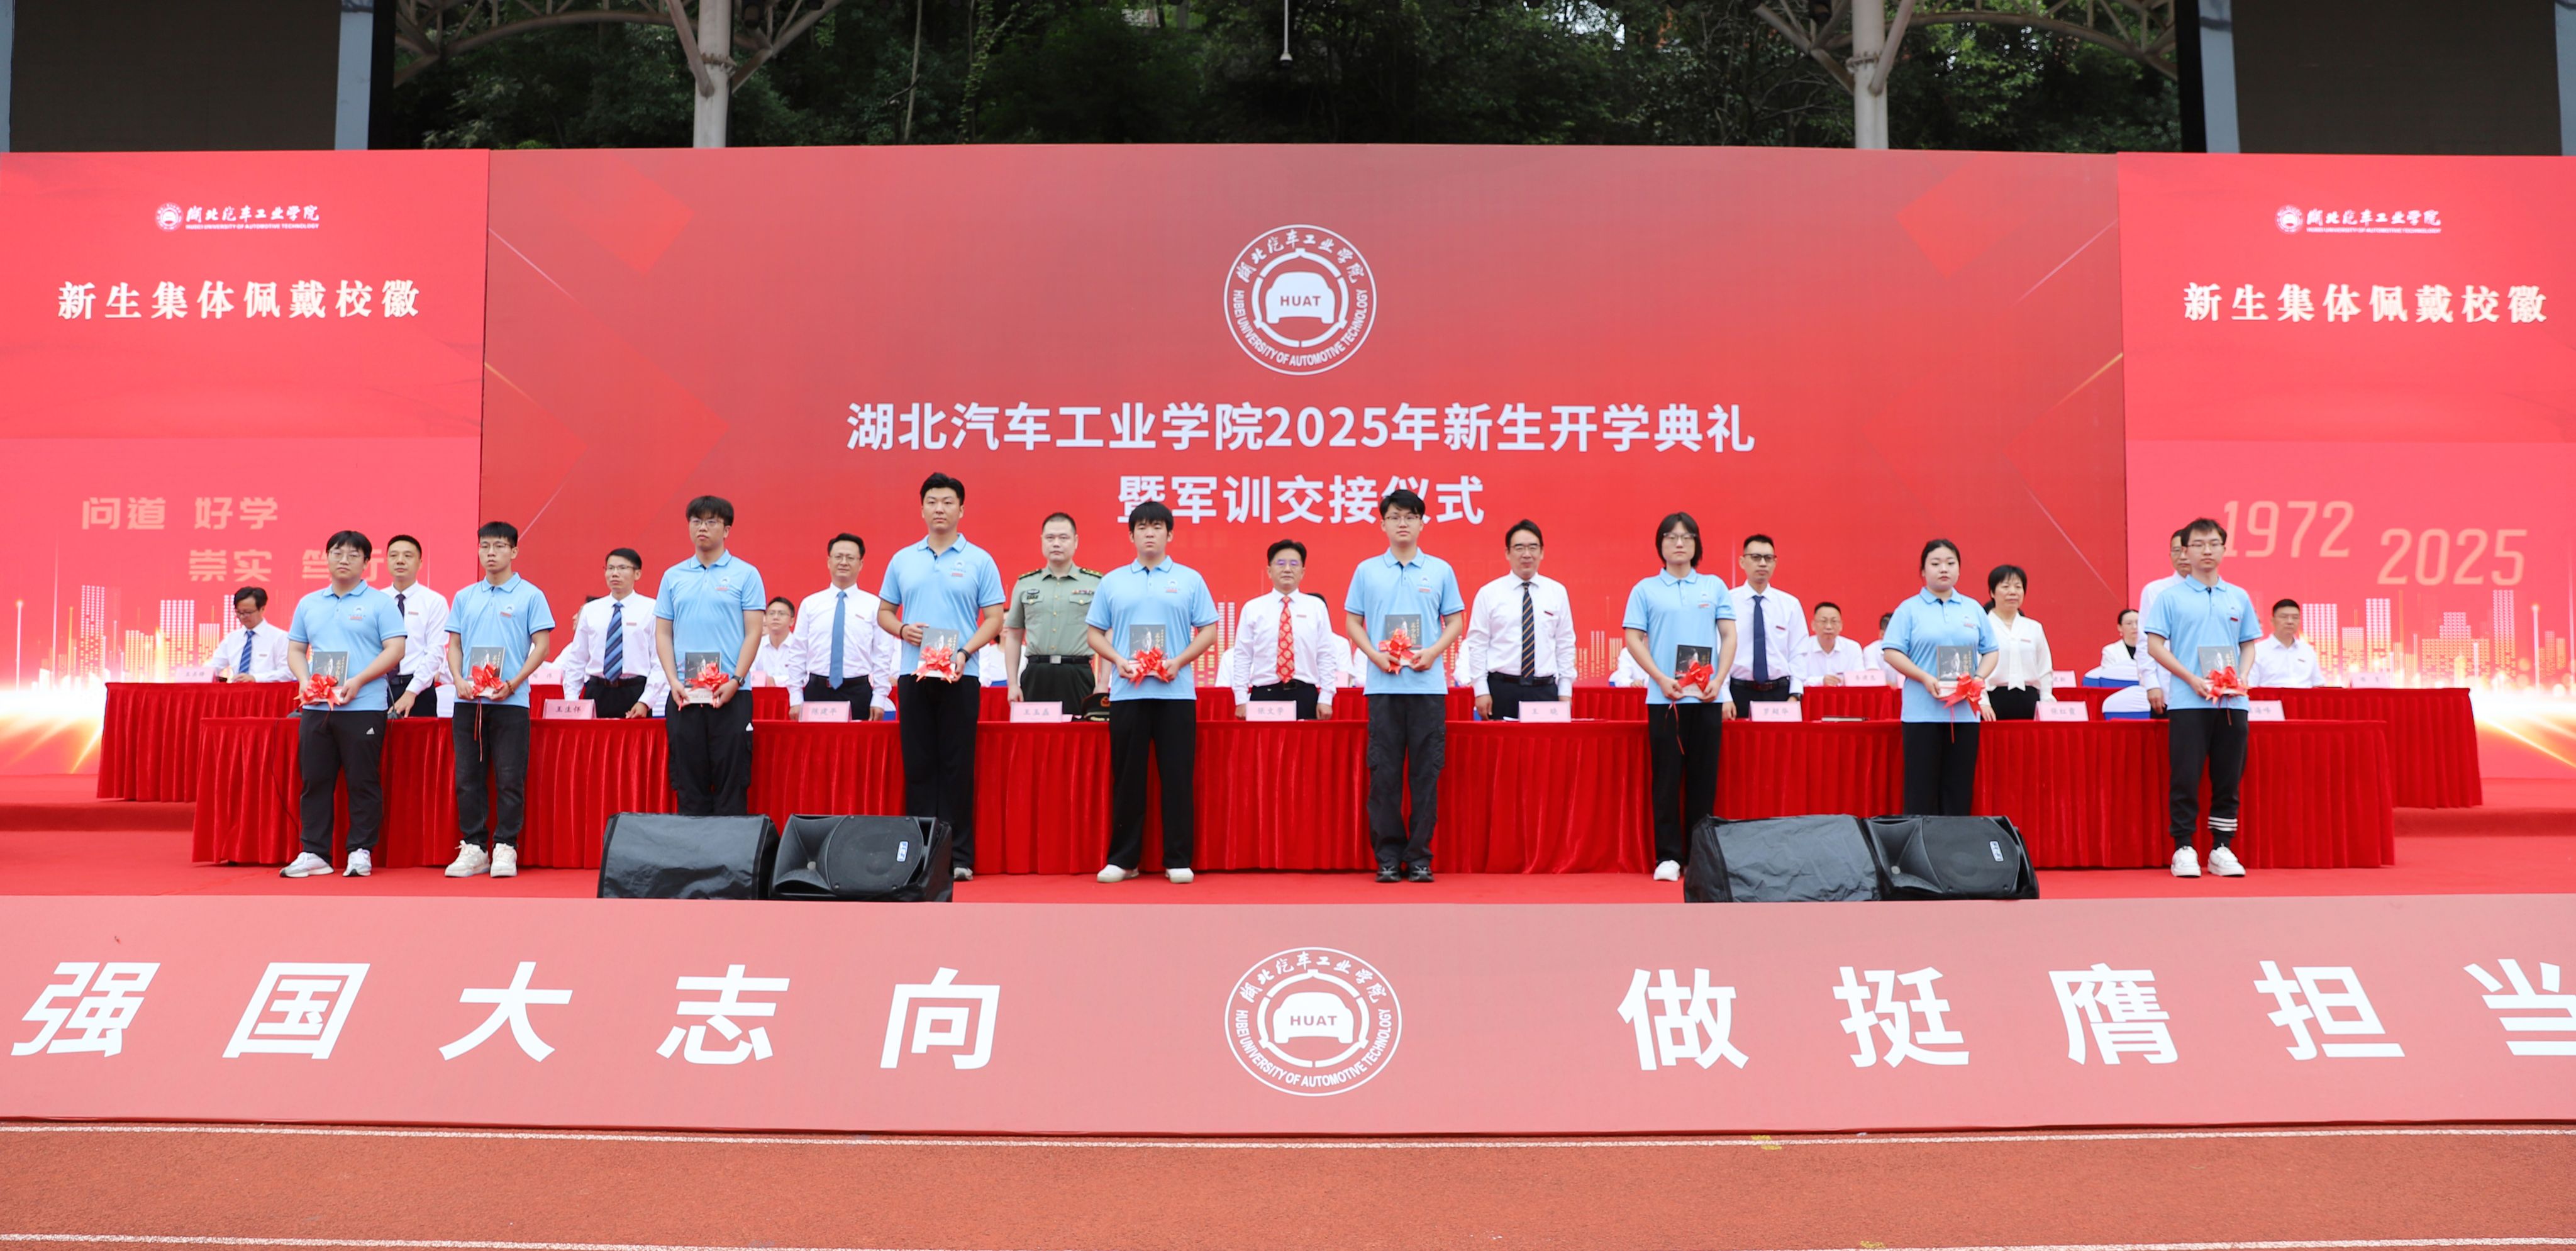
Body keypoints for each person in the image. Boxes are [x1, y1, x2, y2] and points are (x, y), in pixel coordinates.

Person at [879, 473, 1007, 881]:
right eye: (932, 501)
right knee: (919, 765)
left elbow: (995, 618)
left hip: (961, 675)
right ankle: (918, 856)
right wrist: (903, 629)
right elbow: (884, 612)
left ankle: (959, 856)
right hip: (914, 675)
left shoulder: (980, 560)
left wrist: (966, 651)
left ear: (961, 509)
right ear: (921, 508)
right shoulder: (903, 559)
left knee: (957, 765)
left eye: (948, 502)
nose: (940, 509)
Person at [1085, 501, 1220, 884]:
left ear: (1169, 534)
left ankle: (1177, 858)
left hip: (1175, 692)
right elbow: (1094, 633)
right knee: (1128, 778)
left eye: (1157, 527)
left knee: (1177, 777)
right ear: (1131, 535)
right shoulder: (1113, 581)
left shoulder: (1190, 579)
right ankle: (1124, 860)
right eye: (1142, 527)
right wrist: (1118, 660)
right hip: (1128, 691)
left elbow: (1209, 630)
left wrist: (1178, 661)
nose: (1149, 533)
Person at [1344, 489, 1466, 883]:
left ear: (1422, 524)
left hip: (1427, 687)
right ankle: (1387, 856)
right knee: (1385, 775)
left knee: (1426, 775)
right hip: (1383, 687)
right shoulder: (1367, 571)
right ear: (1382, 524)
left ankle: (1419, 857)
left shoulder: (1440, 570)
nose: (1403, 524)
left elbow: (1455, 622)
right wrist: (1374, 657)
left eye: (1411, 517)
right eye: (1395, 517)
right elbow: (1353, 623)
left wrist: (1433, 652)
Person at [278, 531, 408, 879]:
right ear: (327, 558)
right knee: (315, 780)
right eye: (337, 553)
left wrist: (360, 680)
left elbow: (396, 649)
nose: (344, 560)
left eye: (353, 554)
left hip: (363, 705)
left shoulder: (380, 603)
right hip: (317, 707)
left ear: (366, 563)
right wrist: (305, 681)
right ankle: (314, 852)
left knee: (363, 780)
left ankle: (360, 850)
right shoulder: (309, 603)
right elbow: (296, 650)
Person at [1624, 512, 1738, 882]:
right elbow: (1633, 639)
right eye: (1671, 537)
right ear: (1660, 544)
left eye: (1687, 537)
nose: (1679, 543)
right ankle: (1669, 856)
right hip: (1665, 700)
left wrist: (1719, 680)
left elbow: (1729, 635)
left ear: (1696, 544)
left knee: (1704, 780)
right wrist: (1659, 678)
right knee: (1667, 780)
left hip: (1706, 698)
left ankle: (1701, 855)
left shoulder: (1714, 586)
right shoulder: (1645, 589)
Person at [2145, 517, 2261, 878]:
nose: (2206, 551)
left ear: (2224, 549)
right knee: (2185, 775)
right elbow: (2154, 646)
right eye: (2198, 545)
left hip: (2232, 702)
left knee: (2228, 776)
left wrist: (2243, 675)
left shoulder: (2238, 596)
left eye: (2213, 544)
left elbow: (2248, 645)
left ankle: (2222, 847)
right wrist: (2190, 678)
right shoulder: (2170, 597)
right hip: (2188, 700)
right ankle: (2183, 846)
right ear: (2186, 552)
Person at [440, 522, 555, 880]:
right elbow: (455, 645)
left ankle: (506, 845)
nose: (491, 553)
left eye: (500, 546)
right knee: (467, 777)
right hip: (469, 702)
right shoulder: (465, 596)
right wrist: (458, 679)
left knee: (509, 778)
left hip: (511, 702)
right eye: (485, 546)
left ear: (514, 551)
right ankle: (474, 847)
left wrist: (515, 682)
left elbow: (542, 646)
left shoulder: (531, 595)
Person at [653, 496, 766, 817]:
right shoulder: (673, 576)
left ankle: (729, 850)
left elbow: (754, 632)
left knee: (733, 781)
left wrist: (737, 679)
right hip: (685, 695)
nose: (702, 528)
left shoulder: (746, 574)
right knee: (688, 782)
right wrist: (673, 681)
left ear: (727, 529)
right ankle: (692, 848)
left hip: (731, 693)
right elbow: (663, 633)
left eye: (712, 522)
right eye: (696, 521)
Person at [1879, 539, 1998, 817]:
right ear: (1923, 571)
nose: (1943, 569)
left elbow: (1991, 650)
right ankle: (1919, 843)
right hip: (1922, 713)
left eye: (1950, 563)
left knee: (1958, 789)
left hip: (1964, 714)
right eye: (1935, 564)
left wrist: (1978, 678)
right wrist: (1923, 677)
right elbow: (1892, 652)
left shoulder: (1972, 608)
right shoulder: (1909, 609)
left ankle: (1954, 843)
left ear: (1959, 569)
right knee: (1920, 790)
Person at [1460, 520, 1576, 720]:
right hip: (1501, 690)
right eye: (1519, 548)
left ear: (1542, 552)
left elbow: (1565, 643)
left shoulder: (1557, 592)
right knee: (1500, 741)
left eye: (1533, 547)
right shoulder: (1489, 593)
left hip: (1545, 690)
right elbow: (1478, 644)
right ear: (1508, 553)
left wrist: (1565, 691)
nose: (1527, 554)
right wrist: (1481, 690)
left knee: (1544, 742)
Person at [1004, 513, 1107, 716]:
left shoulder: (1096, 584)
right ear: (1042, 541)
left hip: (1077, 674)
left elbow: (1105, 635)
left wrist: (1103, 683)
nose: (1056, 544)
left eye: (1063, 538)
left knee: (1077, 734)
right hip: (1036, 674)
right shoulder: (1025, 584)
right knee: (1034, 736)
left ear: (1076, 541)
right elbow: (1014, 636)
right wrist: (1012, 684)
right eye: (1050, 538)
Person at [1230, 538, 1341, 719]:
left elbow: (1326, 654)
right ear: (1269, 571)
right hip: (1264, 694)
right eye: (1280, 563)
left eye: (1294, 564)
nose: (1287, 569)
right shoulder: (1253, 608)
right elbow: (1243, 655)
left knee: (1305, 739)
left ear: (1303, 572)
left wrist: (1326, 697)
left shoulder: (1316, 607)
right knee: (1266, 740)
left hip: (1305, 694)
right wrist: (1241, 699)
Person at [791, 533, 896, 719]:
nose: (844, 562)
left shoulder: (874, 606)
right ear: (829, 562)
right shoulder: (810, 604)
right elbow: (798, 652)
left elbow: (883, 654)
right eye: (838, 557)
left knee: (858, 739)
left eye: (850, 558)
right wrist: (795, 697)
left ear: (861, 564)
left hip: (859, 692)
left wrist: (879, 698)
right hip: (817, 691)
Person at [552, 547, 665, 718]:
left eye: (622, 568)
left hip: (635, 692)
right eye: (610, 568)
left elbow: (660, 661)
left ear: (637, 574)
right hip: (597, 691)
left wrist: (646, 701)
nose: (615, 574)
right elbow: (577, 659)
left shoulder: (651, 609)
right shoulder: (591, 610)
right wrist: (571, 700)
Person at [1726, 534, 1803, 718]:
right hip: (1738, 692)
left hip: (1780, 693)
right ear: (1742, 562)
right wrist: (1724, 696)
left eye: (1768, 558)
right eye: (1756, 557)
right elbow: (1719, 652)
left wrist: (1795, 694)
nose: (1762, 563)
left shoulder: (1790, 604)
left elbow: (1799, 652)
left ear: (1775, 563)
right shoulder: (1727, 602)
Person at [382, 535, 450, 718]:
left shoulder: (434, 601)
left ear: (420, 563)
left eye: (408, 556)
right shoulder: (376, 600)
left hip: (420, 690)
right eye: (394, 555)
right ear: (386, 561)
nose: (400, 561)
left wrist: (412, 692)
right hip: (378, 687)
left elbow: (435, 651)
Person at [1980, 564, 2054, 721]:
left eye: (2018, 587)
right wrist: (1982, 702)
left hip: (2030, 702)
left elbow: (2044, 668)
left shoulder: (2034, 627)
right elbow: (1974, 669)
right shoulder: (1982, 627)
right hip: (1992, 704)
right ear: (1992, 592)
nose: (2013, 592)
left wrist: (2046, 701)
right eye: (2006, 587)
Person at [2136, 528, 2190, 716]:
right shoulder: (2156, 591)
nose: (2182, 557)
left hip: (2209, 691)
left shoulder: (2217, 591)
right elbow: (2145, 641)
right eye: (2176, 551)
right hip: (2168, 689)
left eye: (2187, 550)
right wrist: (2151, 683)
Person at [212, 586, 291, 682]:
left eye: (248, 612)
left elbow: (288, 672)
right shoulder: (232, 638)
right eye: (238, 612)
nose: (242, 617)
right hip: (237, 689)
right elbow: (215, 666)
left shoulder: (280, 637)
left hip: (266, 690)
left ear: (262, 609)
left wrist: (256, 678)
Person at [2249, 599, 2323, 688]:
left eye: (2295, 618)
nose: (2290, 622)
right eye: (2284, 617)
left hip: (2305, 696)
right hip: (2271, 697)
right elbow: (2250, 686)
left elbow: (2318, 684)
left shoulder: (2308, 650)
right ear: (2272, 620)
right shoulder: (2257, 651)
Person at [1793, 601, 1866, 685]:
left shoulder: (1853, 648)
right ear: (1813, 625)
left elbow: (1860, 679)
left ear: (1841, 625)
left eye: (1834, 621)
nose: (1829, 627)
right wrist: (1821, 681)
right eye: (1823, 621)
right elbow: (1796, 680)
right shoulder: (1802, 647)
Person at [750, 597, 803, 699]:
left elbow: (805, 678)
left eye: (781, 614)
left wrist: (775, 681)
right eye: (771, 613)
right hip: (760, 699)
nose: (776, 617)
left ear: (792, 621)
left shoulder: (800, 646)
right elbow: (749, 674)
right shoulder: (756, 644)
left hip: (792, 699)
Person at [2094, 609, 2145, 684]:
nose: (2135, 627)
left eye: (2138, 623)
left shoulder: (2151, 650)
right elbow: (2108, 677)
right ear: (2120, 627)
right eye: (2129, 623)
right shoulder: (2110, 651)